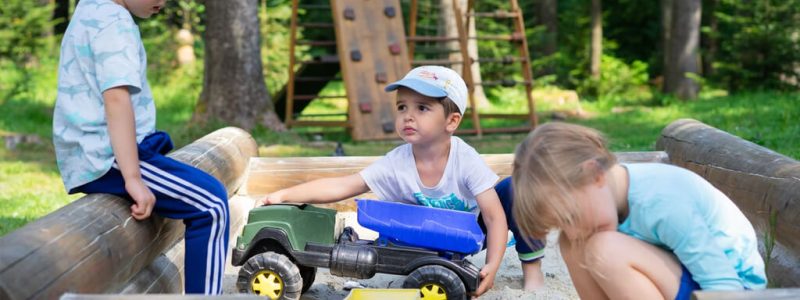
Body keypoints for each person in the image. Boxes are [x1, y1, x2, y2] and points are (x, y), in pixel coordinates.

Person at [260, 65, 514, 296]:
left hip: (464, 237)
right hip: (421, 241)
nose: (408, 116)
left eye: (422, 108)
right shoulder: (397, 162)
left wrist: (492, 265)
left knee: (513, 191)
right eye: (402, 107)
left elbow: (494, 217)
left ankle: (531, 261)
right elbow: (345, 185)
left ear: (451, 121)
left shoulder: (466, 161)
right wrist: (283, 195)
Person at [53, 0, 228, 294]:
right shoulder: (114, 22)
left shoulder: (91, 8)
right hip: (108, 157)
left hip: (93, 152)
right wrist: (133, 178)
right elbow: (116, 99)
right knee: (211, 204)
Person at [511, 122, 767, 299]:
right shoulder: (605, 201)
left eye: (572, 217)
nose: (573, 229)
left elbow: (724, 287)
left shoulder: (662, 202)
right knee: (572, 244)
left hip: (731, 290)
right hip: (685, 279)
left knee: (605, 249)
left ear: (595, 175)